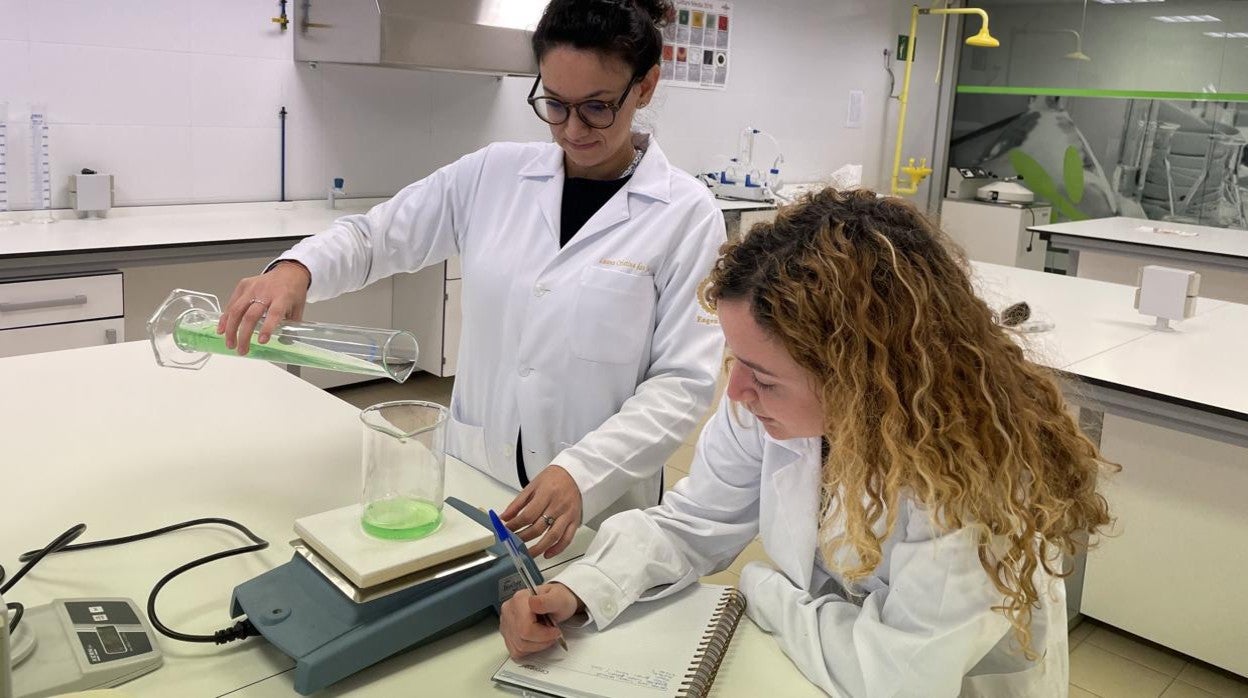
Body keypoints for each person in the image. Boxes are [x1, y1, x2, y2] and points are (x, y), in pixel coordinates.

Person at [498, 188, 1117, 696]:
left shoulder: (969, 474)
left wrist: (762, 591)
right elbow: (692, 522)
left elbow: (898, 677)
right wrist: (583, 589)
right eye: (736, 362)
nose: (735, 392)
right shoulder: (769, 410)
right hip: (815, 671)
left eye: (763, 376)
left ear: (860, 375)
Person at [215, 0, 725, 558]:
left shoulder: (686, 213)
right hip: (474, 479)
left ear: (646, 85)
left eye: (598, 107)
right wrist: (298, 269)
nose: (572, 129)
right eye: (554, 104)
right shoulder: (493, 173)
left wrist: (583, 471)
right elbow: (375, 236)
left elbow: (681, 382)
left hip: (597, 507)